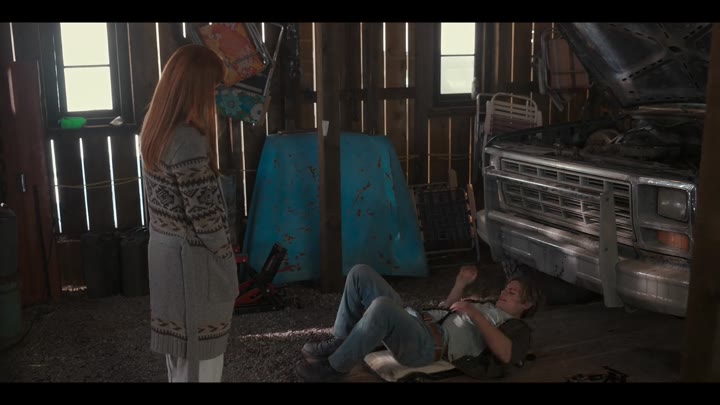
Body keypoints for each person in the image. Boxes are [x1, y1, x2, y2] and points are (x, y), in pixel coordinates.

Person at [140, 44, 238, 383]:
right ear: (196, 89)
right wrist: (226, 259)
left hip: (167, 264)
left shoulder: (155, 131)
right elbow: (207, 219)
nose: (215, 96)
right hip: (193, 272)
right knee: (200, 367)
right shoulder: (187, 141)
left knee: (180, 367)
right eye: (213, 88)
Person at [295, 264, 541, 382]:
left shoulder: (514, 326)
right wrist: (460, 284)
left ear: (527, 303)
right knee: (360, 273)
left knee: (382, 306)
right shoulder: (486, 306)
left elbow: (507, 354)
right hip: (418, 321)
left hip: (428, 345)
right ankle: (341, 341)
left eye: (512, 292)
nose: (504, 292)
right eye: (506, 289)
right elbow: (447, 310)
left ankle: (334, 369)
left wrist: (473, 313)